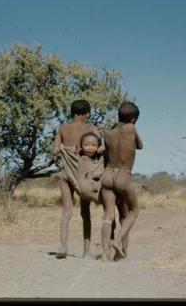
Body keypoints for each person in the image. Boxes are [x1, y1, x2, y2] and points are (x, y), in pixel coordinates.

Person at [52, 99, 103, 259]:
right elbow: (99, 148)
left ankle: (62, 245)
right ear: (87, 113)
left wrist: (63, 148)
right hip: (84, 176)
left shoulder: (63, 128)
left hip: (67, 174)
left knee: (66, 211)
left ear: (73, 112)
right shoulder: (91, 128)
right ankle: (86, 251)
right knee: (85, 213)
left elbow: (54, 151)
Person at [100, 101, 143, 261]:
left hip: (107, 175)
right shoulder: (131, 129)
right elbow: (140, 145)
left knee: (108, 214)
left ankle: (105, 253)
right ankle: (118, 241)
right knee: (133, 211)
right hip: (124, 175)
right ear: (133, 119)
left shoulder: (107, 133)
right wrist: (132, 127)